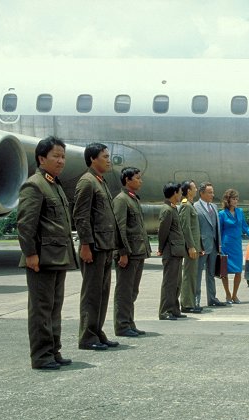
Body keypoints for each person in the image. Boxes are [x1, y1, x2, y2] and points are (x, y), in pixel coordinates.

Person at [17, 136, 78, 370]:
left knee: (54, 307)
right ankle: (42, 356)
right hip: (41, 258)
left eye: (63, 156)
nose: (61, 161)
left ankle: (54, 350)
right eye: (56, 156)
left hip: (57, 257)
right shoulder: (34, 185)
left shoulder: (55, 185)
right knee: (41, 308)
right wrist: (30, 253)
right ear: (42, 158)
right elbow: (25, 224)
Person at [73, 143, 122, 351]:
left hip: (105, 246)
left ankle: (97, 331)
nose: (108, 159)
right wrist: (85, 244)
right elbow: (80, 216)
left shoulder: (99, 181)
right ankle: (87, 336)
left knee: (102, 293)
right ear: (93, 158)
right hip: (93, 248)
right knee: (91, 294)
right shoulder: (87, 182)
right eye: (104, 156)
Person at [113, 167, 152, 337]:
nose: (140, 181)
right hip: (128, 253)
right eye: (137, 178)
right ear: (127, 180)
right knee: (124, 291)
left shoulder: (133, 199)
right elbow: (119, 227)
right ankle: (122, 326)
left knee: (132, 291)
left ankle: (129, 322)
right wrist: (122, 252)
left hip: (138, 252)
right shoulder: (121, 200)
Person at [218, 189, 249, 304]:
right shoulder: (222, 214)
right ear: (228, 200)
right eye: (233, 198)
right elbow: (218, 231)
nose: (236, 201)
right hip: (226, 245)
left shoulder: (240, 212)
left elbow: (245, 228)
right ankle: (227, 295)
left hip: (237, 246)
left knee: (238, 271)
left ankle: (234, 295)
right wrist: (219, 246)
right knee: (224, 272)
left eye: (237, 198)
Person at [194, 182, 227, 307]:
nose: (212, 195)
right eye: (209, 192)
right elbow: (195, 229)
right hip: (202, 246)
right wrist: (197, 246)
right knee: (197, 274)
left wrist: (219, 245)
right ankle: (196, 300)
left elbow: (217, 227)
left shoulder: (213, 206)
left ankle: (212, 298)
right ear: (201, 193)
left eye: (212, 192)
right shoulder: (195, 207)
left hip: (213, 245)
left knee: (211, 274)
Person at [158, 182, 187, 320]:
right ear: (175, 193)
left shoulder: (173, 208)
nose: (181, 195)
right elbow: (163, 231)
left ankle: (174, 309)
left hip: (176, 250)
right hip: (170, 250)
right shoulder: (167, 210)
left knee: (176, 282)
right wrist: (160, 248)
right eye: (180, 192)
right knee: (169, 282)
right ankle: (165, 311)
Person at [179, 180, 203, 314]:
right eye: (194, 188)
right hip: (191, 248)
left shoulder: (190, 205)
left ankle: (190, 302)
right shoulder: (186, 205)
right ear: (188, 190)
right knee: (189, 275)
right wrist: (191, 246)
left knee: (192, 275)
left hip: (195, 247)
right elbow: (185, 227)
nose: (196, 190)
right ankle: (187, 304)